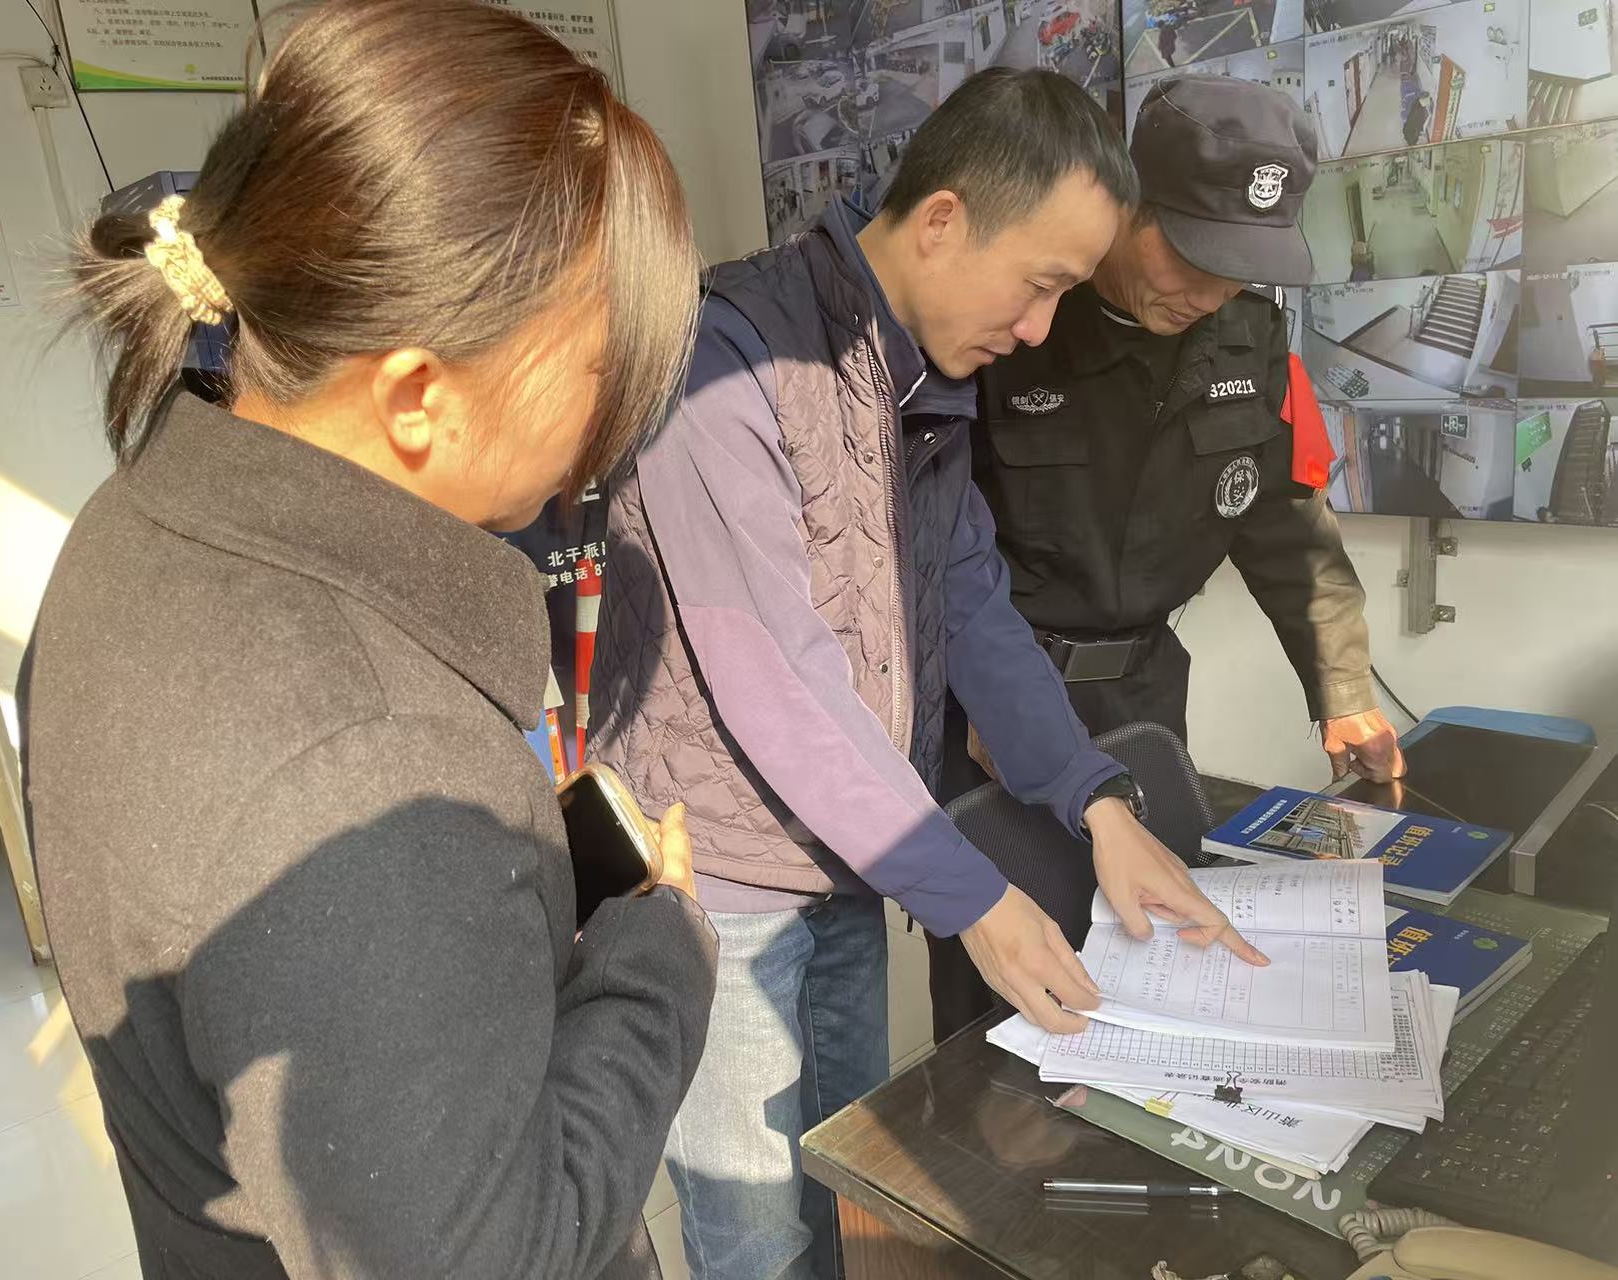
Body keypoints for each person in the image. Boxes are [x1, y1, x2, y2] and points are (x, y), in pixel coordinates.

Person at [18, 4, 715, 1277]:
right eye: (601, 366)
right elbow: (490, 1251)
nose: (611, 423)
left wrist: (493, 887)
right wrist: (655, 959)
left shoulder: (129, 530)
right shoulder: (370, 761)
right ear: (416, 396)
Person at [589, 68, 1267, 1280]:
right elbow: (781, 685)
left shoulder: (920, 376)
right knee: (756, 1236)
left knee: (845, 1185)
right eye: (1040, 283)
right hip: (723, 890)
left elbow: (973, 599)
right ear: (943, 221)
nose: (1042, 329)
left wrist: (1096, 800)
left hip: (847, 862)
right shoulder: (723, 362)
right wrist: (972, 895)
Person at [928, 74, 1404, 1041]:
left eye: (1240, 267)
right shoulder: (1012, 329)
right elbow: (925, 547)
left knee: (1152, 962)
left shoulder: (1248, 338)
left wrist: (1342, 687)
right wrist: (978, 701)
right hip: (994, 705)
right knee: (1010, 1002)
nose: (1210, 293)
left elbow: (1284, 523)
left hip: (1142, 700)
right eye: (1191, 254)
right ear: (1123, 203)